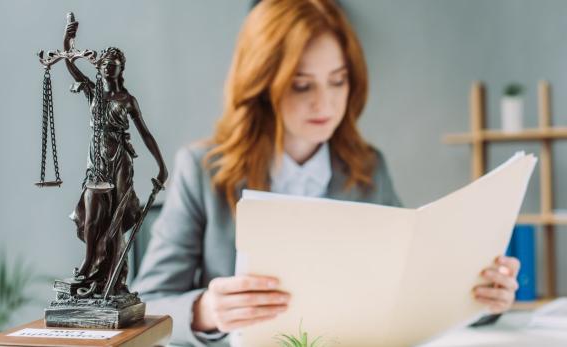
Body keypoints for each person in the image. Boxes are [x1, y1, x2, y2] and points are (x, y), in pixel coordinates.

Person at [132, 0, 520, 345]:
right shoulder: (202, 170)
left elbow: (409, 286)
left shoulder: (368, 169)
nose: (326, 102)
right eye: (302, 85)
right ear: (262, 85)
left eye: (338, 80)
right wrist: (207, 311)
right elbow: (146, 304)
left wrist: (482, 296)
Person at [63, 22, 168, 296]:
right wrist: (68, 40)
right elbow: (70, 65)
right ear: (99, 66)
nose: (109, 66)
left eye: (115, 63)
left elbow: (145, 134)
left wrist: (162, 165)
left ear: (122, 69)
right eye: (106, 62)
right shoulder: (92, 91)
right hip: (96, 162)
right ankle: (88, 263)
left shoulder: (127, 99)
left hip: (120, 161)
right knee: (92, 216)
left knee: (115, 219)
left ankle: (113, 279)